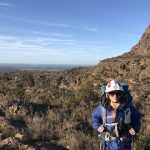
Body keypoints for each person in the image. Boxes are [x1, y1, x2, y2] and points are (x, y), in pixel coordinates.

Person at [92, 80, 141, 150]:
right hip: (108, 145)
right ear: (107, 94)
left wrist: (134, 128)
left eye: (118, 93)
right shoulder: (102, 108)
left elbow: (136, 118)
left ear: (121, 94)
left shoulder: (128, 107)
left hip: (125, 144)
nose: (115, 96)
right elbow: (95, 119)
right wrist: (97, 127)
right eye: (112, 93)